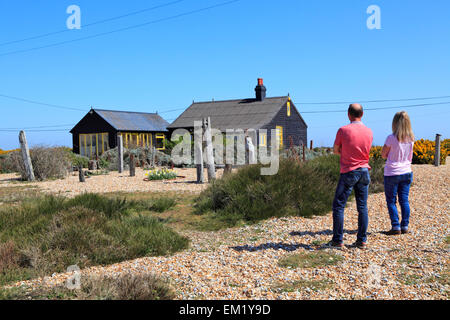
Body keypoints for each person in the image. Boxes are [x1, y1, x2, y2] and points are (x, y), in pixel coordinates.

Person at [329, 104, 373, 249]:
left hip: (349, 170)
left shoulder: (343, 130)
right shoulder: (369, 131)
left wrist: (345, 151)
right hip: (364, 170)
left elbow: (336, 150)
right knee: (362, 207)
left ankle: (337, 239)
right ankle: (362, 240)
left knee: (339, 205)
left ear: (348, 114)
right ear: (362, 114)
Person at [381, 111, 415, 235]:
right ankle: (404, 225)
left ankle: (395, 226)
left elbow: (383, 154)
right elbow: (410, 156)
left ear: (395, 123)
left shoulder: (391, 138)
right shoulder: (411, 138)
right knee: (404, 200)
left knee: (391, 201)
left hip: (392, 172)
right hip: (406, 171)